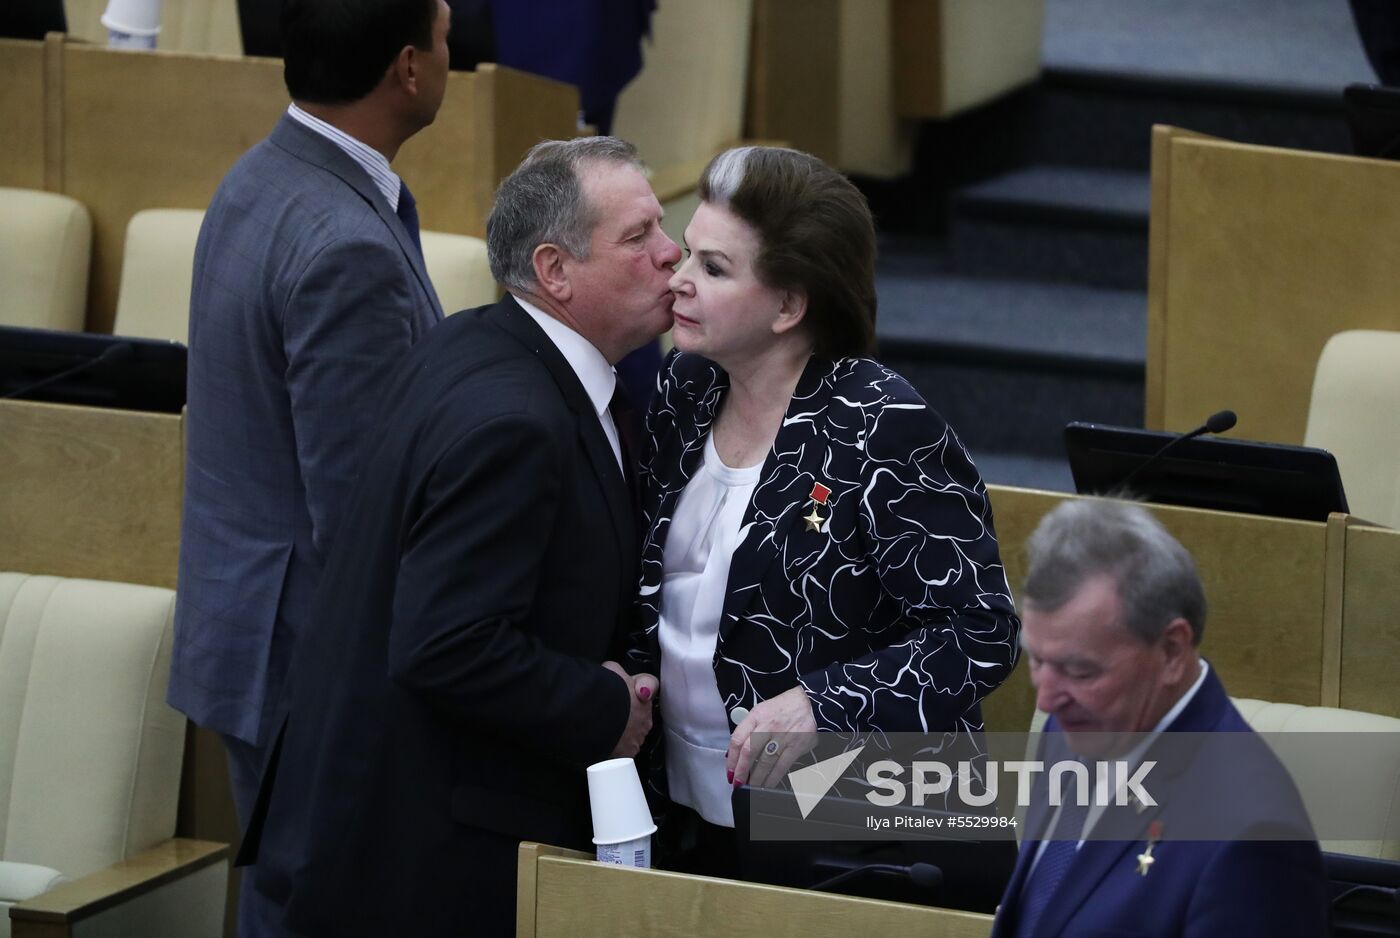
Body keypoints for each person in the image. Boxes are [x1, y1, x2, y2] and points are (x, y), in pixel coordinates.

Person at [237, 136, 676, 937]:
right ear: (555, 271)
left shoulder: (475, 341)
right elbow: (446, 644)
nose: (670, 253)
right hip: (421, 864)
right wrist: (605, 702)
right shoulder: (517, 422)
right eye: (639, 236)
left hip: (368, 825)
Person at [627, 145, 1021, 873]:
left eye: (713, 269)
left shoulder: (883, 425)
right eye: (687, 255)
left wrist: (825, 703)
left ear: (789, 305)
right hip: (685, 812)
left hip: (858, 829)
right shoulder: (684, 391)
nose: (678, 282)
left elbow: (982, 632)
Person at [167, 0, 449, 932]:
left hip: (251, 631)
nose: (452, 51)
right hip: (308, 668)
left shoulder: (261, 174)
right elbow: (362, 516)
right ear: (409, 68)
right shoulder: (349, 249)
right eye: (445, 33)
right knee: (316, 912)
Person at [992, 498, 1328, 938]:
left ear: (1171, 651)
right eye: (1037, 660)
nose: (1047, 701)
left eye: (1080, 671)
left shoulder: (1253, 840)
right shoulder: (1073, 727)